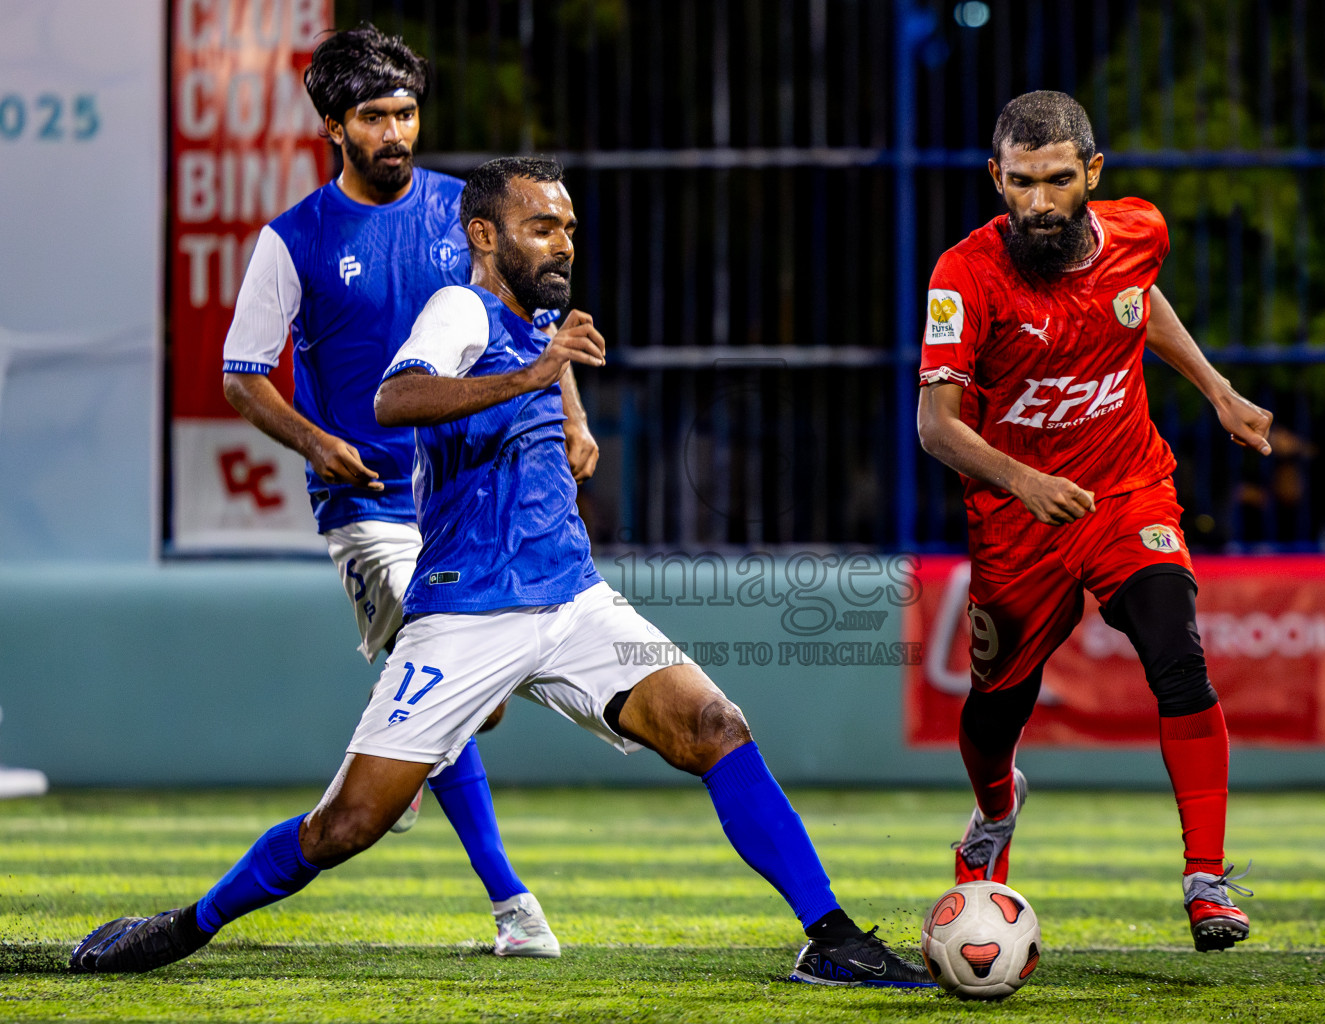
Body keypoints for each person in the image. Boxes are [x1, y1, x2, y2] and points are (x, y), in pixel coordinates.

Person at [71, 156, 933, 987]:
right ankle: (182, 927)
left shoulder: (533, 325)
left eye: (568, 226)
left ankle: (832, 940)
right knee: (346, 826)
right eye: (540, 226)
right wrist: (536, 374)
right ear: (484, 234)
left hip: (573, 600)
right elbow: (393, 399)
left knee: (715, 726)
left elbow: (540, 384)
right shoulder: (460, 309)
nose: (561, 242)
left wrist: (568, 412)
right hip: (470, 613)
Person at [217, 24, 579, 957]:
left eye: (407, 113)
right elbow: (242, 373)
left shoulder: (469, 209)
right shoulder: (292, 240)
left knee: (469, 701)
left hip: (465, 502)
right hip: (370, 504)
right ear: (335, 126)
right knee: (457, 694)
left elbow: (536, 314)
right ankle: (515, 908)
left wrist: (571, 417)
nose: (396, 132)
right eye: (375, 116)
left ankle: (399, 764)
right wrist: (316, 440)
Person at [914, 91, 1274, 952]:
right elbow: (936, 426)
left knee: (1176, 653)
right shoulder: (963, 276)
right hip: (1016, 518)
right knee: (997, 707)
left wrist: (1216, 390)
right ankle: (996, 810)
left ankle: (1206, 878)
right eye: (1023, 182)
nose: (1040, 202)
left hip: (1127, 491)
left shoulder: (1141, 229)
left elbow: (1138, 300)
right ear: (997, 178)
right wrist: (1024, 481)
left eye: (1059, 181)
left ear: (1093, 174)